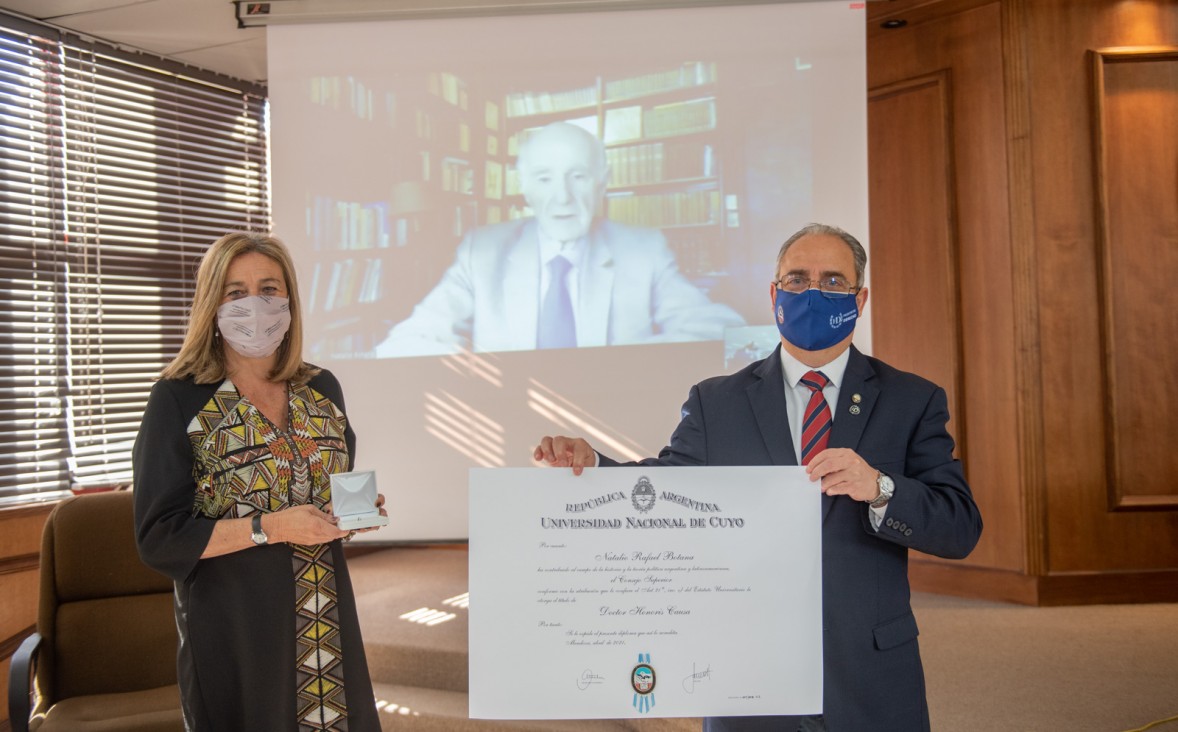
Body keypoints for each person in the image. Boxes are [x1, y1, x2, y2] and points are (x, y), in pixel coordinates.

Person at [534, 223, 983, 732]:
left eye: (833, 282)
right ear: (773, 294)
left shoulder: (911, 399)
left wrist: (880, 489)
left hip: (869, 671)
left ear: (860, 298)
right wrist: (592, 467)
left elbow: (959, 527)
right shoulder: (717, 400)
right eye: (796, 279)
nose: (812, 293)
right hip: (748, 674)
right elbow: (665, 491)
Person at [132, 232, 384, 731]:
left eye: (269, 289)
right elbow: (159, 538)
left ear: (288, 299)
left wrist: (351, 513)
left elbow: (324, 489)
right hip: (234, 632)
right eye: (236, 292)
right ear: (212, 303)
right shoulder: (180, 399)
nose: (255, 305)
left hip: (324, 622)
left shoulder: (321, 389)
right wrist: (268, 527)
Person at [374, 121, 744, 356]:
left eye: (578, 176)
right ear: (524, 186)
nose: (563, 197)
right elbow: (407, 340)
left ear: (603, 181)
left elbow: (722, 329)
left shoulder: (643, 249)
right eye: (545, 178)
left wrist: (618, 365)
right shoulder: (483, 251)